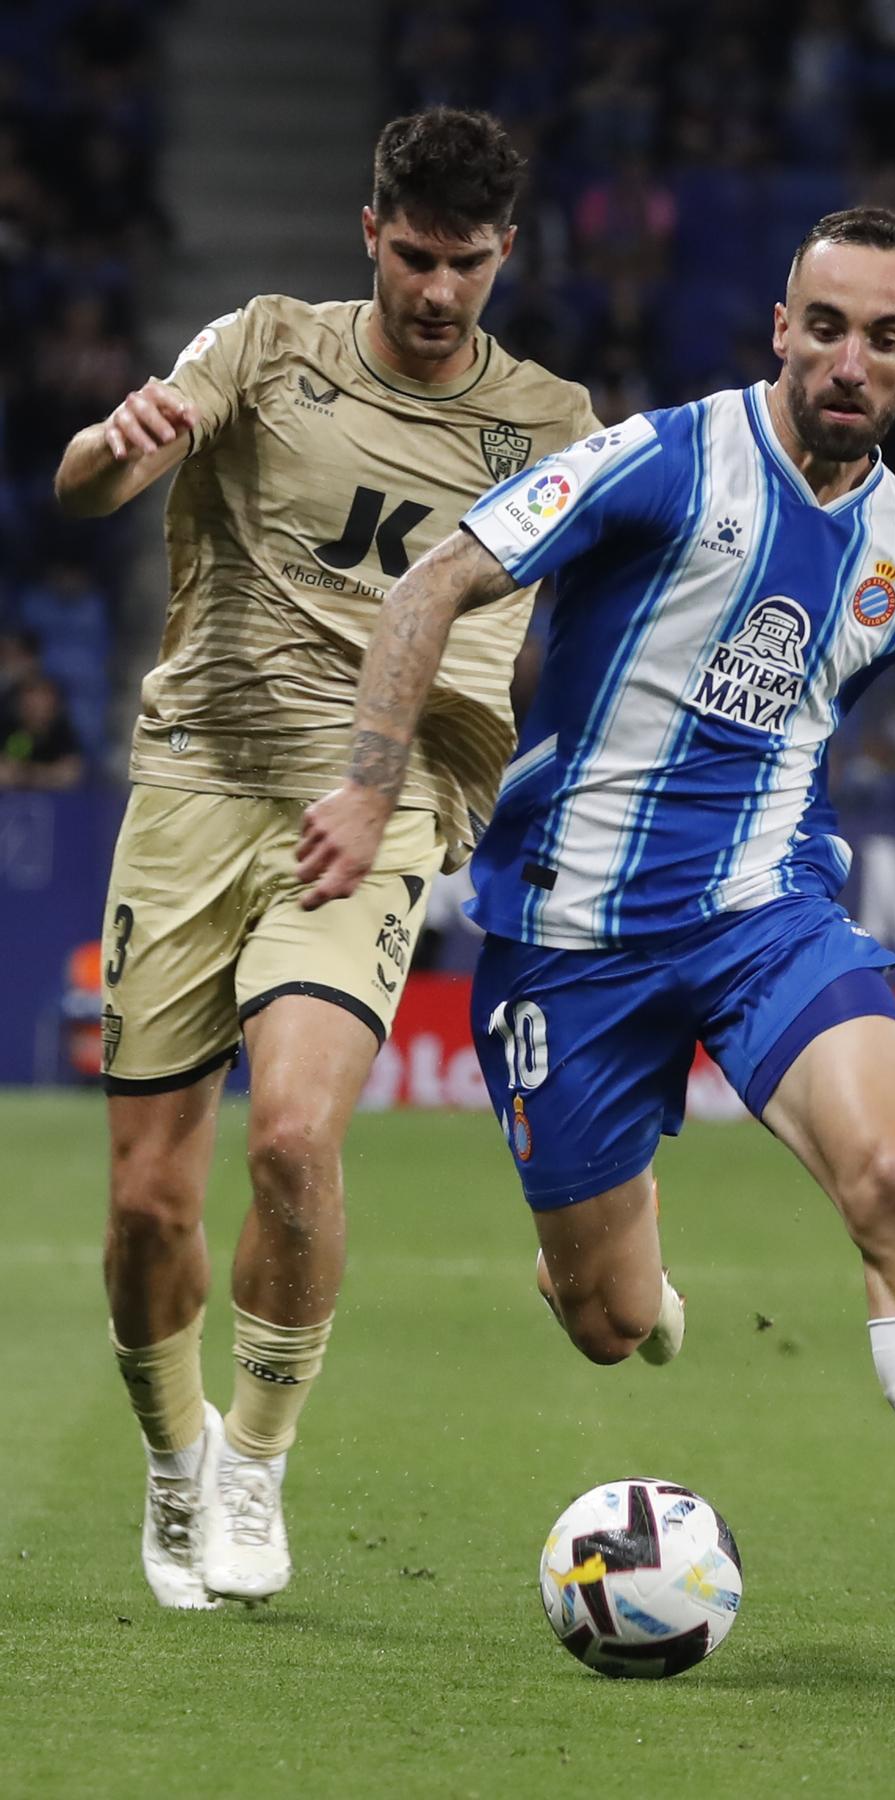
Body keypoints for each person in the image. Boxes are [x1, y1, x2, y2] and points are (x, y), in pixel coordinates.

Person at [297, 209, 895, 1663]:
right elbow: (434, 581)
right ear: (781, 325)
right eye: (824, 326)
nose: (849, 359)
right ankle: (613, 1264)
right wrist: (372, 778)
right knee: (604, 1320)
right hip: (568, 939)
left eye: (884, 338)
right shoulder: (664, 461)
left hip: (767, 916)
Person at [53, 107, 598, 1612]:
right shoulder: (269, 344)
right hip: (196, 783)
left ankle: (258, 1460)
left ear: (505, 254)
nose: (436, 293)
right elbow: (85, 489)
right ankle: (175, 1466)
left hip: (385, 799)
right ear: (371, 233)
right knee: (149, 1203)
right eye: (414, 257)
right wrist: (112, 451)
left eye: (467, 265)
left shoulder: (555, 423)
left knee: (295, 1136)